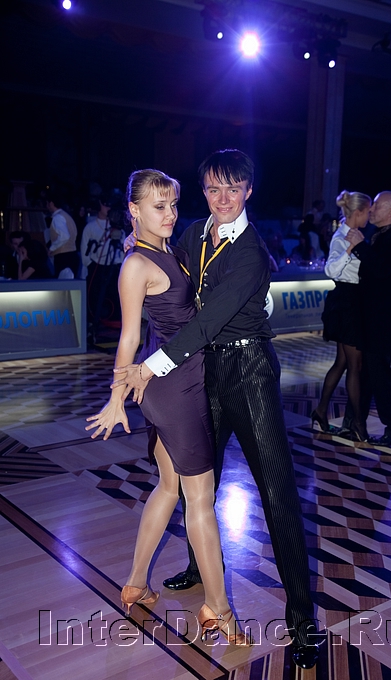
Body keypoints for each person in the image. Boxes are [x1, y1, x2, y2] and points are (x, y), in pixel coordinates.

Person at [114, 149, 321, 669]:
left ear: (248, 190)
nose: (222, 198)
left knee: (277, 495)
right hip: (200, 374)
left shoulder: (252, 252)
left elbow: (207, 320)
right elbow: (166, 278)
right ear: (204, 191)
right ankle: (197, 569)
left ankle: (302, 621)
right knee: (196, 481)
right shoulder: (192, 234)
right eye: (213, 188)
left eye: (233, 188)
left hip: (248, 373)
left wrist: (149, 366)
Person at [85, 169, 250, 646]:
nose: (171, 214)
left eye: (173, 204)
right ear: (134, 210)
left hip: (176, 383)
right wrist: (116, 397)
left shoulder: (168, 251)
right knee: (200, 499)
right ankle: (219, 609)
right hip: (176, 391)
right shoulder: (137, 264)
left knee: (168, 487)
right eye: (159, 206)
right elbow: (128, 338)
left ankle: (136, 583)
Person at [343, 191, 391, 447]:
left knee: (381, 377)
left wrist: (360, 246)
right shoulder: (379, 235)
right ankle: (355, 423)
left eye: (378, 206)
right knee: (369, 375)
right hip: (372, 319)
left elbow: (382, 271)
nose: (371, 210)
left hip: (383, 322)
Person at [311, 191, 371, 441]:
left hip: (354, 301)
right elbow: (331, 270)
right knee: (354, 365)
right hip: (347, 303)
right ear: (357, 212)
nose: (369, 216)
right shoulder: (342, 237)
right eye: (367, 212)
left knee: (343, 362)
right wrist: (350, 248)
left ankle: (321, 411)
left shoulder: (355, 234)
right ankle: (357, 423)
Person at [80, 196, 125, 326]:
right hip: (96, 267)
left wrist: (120, 264)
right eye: (106, 204)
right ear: (99, 204)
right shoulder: (90, 227)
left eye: (110, 205)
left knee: (114, 298)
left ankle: (114, 324)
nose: (108, 208)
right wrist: (89, 264)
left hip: (114, 267)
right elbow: (84, 249)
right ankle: (94, 324)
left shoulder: (117, 226)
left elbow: (124, 247)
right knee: (95, 298)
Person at [46, 194, 79, 278]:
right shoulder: (67, 216)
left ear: (51, 203)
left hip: (63, 257)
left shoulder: (58, 218)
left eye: (47, 203)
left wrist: (52, 248)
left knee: (63, 284)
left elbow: (64, 236)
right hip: (72, 254)